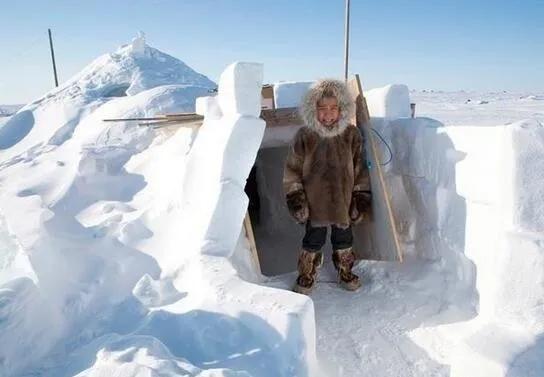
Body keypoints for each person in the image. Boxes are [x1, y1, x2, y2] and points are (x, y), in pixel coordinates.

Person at [283, 79, 371, 294]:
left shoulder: (352, 135)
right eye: (322, 109)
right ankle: (307, 274)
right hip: (315, 203)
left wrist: (360, 197)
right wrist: (297, 198)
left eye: (333, 108)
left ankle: (345, 271)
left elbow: (360, 169)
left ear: (342, 110)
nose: (328, 114)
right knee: (313, 240)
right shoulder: (305, 136)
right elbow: (292, 170)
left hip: (344, 201)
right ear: (313, 110)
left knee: (344, 240)